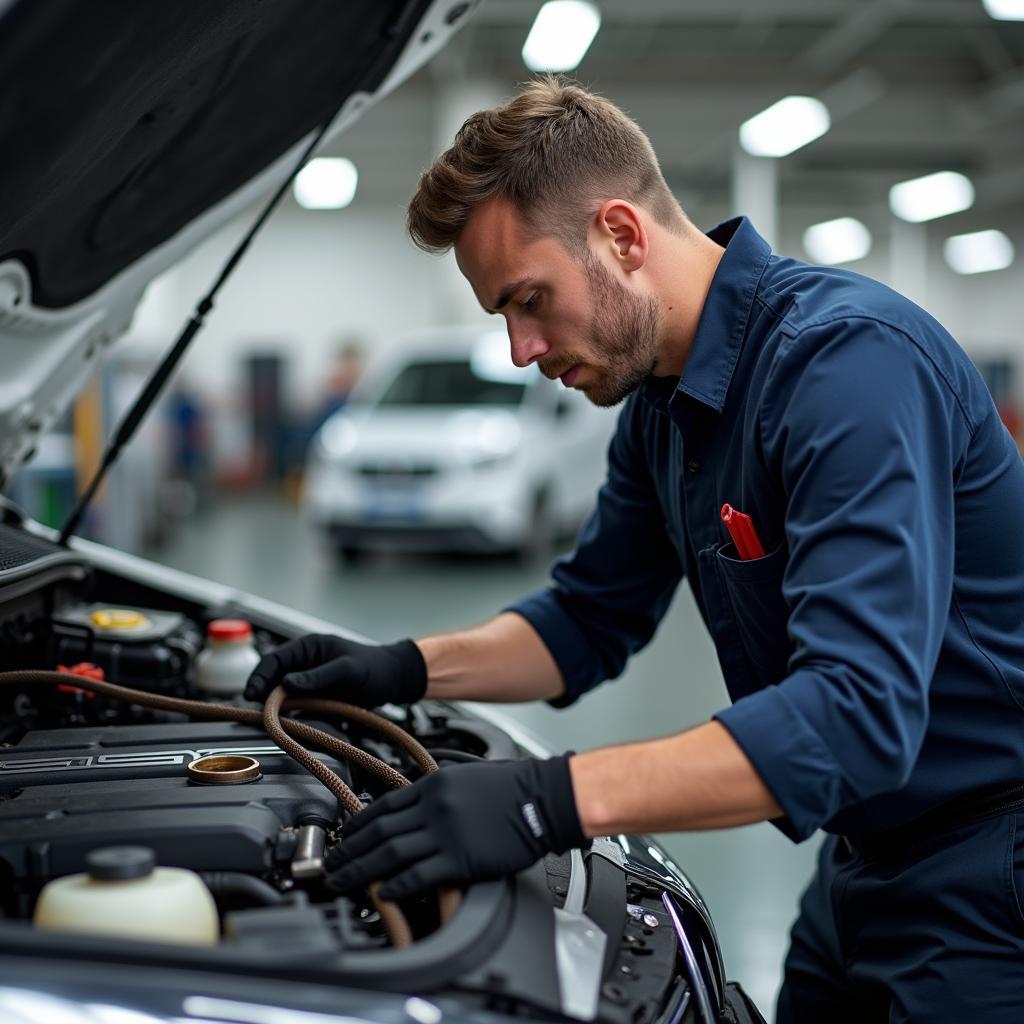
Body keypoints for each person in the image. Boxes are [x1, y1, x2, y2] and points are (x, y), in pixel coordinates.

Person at [245, 78, 1024, 1021]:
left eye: (529, 300)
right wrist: (401, 666)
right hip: (864, 859)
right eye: (502, 314)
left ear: (621, 234)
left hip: (993, 868)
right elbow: (587, 618)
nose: (522, 348)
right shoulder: (662, 404)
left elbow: (854, 716)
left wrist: (543, 801)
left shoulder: (847, 366)